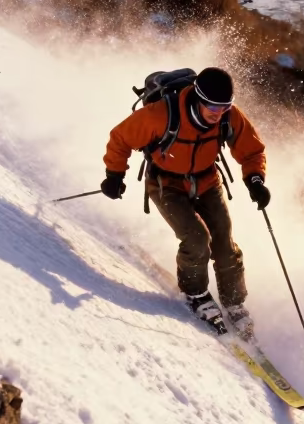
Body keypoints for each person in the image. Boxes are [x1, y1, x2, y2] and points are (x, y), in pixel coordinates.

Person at [101, 67, 270, 340]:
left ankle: (234, 302)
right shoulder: (162, 115)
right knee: (196, 238)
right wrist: (114, 175)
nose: (218, 112)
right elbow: (121, 138)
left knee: (224, 243)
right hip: (167, 183)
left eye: (225, 106)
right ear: (198, 98)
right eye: (213, 106)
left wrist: (255, 180)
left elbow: (251, 149)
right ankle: (197, 294)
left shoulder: (229, 117)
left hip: (207, 180)